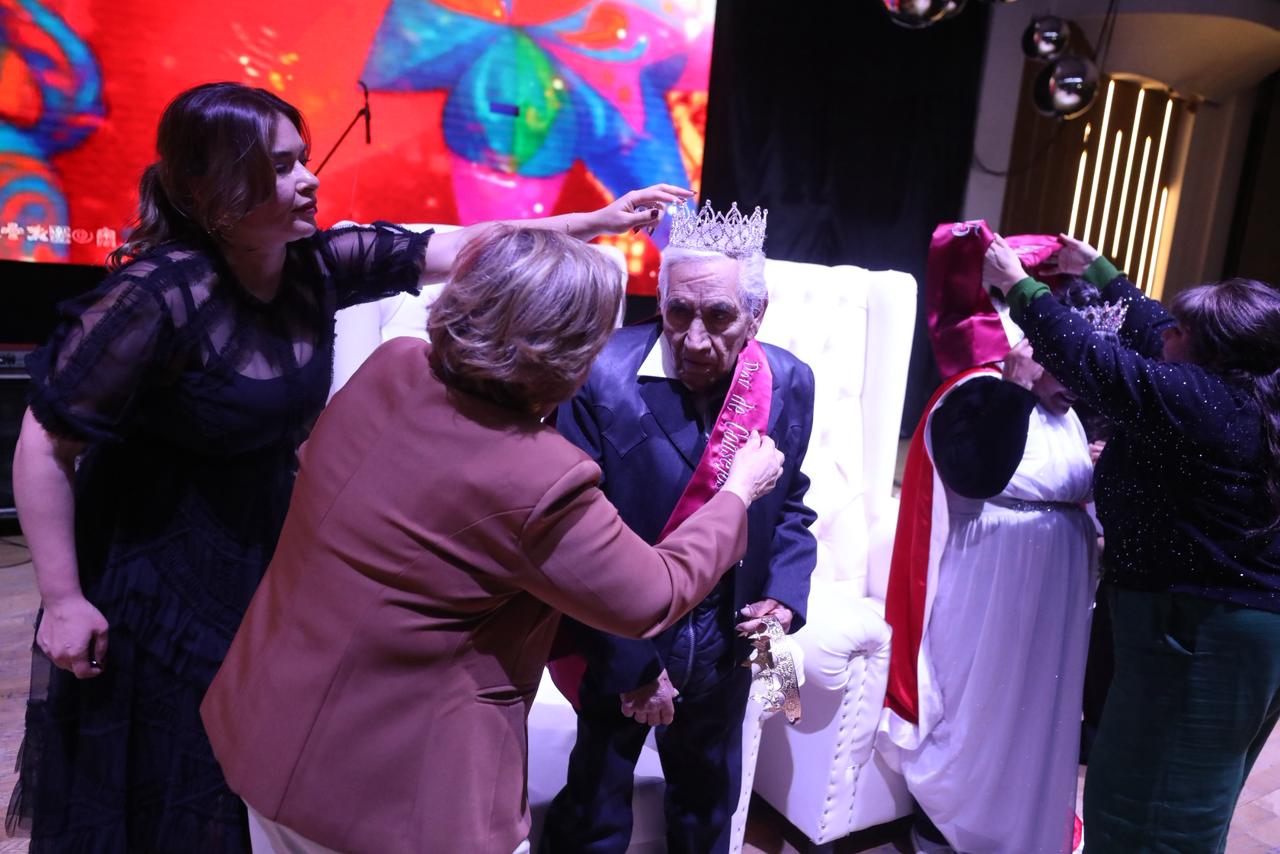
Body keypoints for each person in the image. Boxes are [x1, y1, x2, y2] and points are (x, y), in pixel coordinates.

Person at [5, 79, 690, 853]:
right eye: (280, 167)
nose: (310, 178)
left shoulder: (313, 266)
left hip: (259, 546)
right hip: (155, 565)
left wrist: (591, 222)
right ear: (212, 188)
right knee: (164, 777)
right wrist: (62, 598)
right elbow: (45, 442)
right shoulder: (157, 295)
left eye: (303, 158)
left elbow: (468, 246)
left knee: (242, 755)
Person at [198, 225, 786, 854]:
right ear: (568, 356)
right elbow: (653, 594)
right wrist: (736, 493)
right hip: (400, 796)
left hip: (267, 730)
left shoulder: (389, 366)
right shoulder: (539, 475)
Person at [984, 232, 1280, 853]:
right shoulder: (1249, 388)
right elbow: (1152, 330)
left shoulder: (1207, 402)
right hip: (1225, 629)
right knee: (1177, 798)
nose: (1164, 334)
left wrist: (1019, 287)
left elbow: (1096, 360)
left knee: (1151, 814)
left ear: (1212, 355)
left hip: (1203, 636)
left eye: (1182, 332)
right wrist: (1102, 273)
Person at [540, 200, 818, 854]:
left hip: (725, 639)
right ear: (659, 302)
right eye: (678, 312)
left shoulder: (786, 382)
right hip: (621, 638)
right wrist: (635, 663)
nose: (693, 339)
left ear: (756, 314)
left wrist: (784, 594)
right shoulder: (600, 375)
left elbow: (790, 505)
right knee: (594, 814)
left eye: (718, 316)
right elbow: (576, 537)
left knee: (706, 813)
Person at [879, 221, 1096, 854]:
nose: (1078, 377)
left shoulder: (1066, 407)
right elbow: (978, 474)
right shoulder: (976, 391)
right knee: (982, 713)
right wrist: (1018, 388)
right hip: (989, 589)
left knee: (1040, 716)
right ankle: (951, 830)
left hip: (1053, 594)